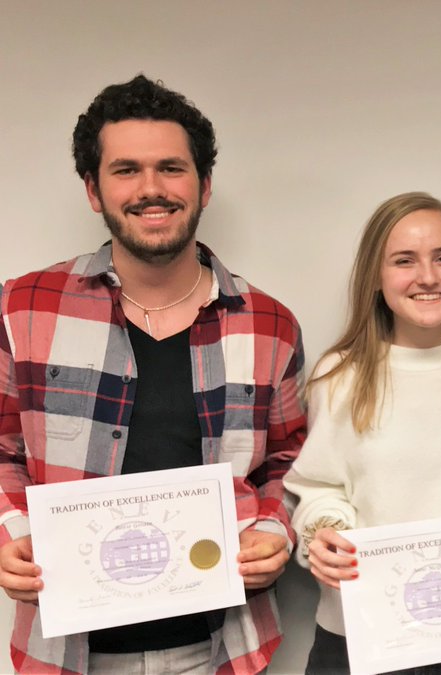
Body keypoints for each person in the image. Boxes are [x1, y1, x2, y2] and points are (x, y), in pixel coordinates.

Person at [0, 75, 306, 673]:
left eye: (171, 167)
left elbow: (290, 461)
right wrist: (9, 533)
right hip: (66, 654)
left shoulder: (270, 324)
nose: (151, 189)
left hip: (222, 650)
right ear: (93, 190)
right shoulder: (22, 308)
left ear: (204, 184)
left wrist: (276, 529)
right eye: (125, 170)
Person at [283, 192, 441, 674]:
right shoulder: (339, 375)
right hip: (360, 632)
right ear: (376, 278)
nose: (427, 276)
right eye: (404, 261)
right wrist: (326, 537)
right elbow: (316, 490)